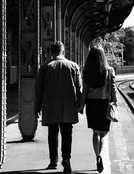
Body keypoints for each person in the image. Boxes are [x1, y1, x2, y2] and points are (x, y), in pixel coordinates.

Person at [35, 41, 82, 173]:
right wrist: (80, 104)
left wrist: (36, 107)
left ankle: (53, 161)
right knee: (67, 133)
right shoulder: (73, 66)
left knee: (52, 132)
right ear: (63, 51)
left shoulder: (45, 67)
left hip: (50, 105)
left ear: (51, 52)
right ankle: (66, 158)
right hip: (68, 106)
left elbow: (38, 89)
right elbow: (79, 88)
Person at [79, 45, 117, 173]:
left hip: (91, 104)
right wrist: (115, 102)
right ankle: (101, 154)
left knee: (95, 133)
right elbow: (113, 88)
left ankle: (97, 156)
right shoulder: (109, 70)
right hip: (104, 104)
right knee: (104, 134)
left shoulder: (87, 71)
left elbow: (84, 91)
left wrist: (81, 105)